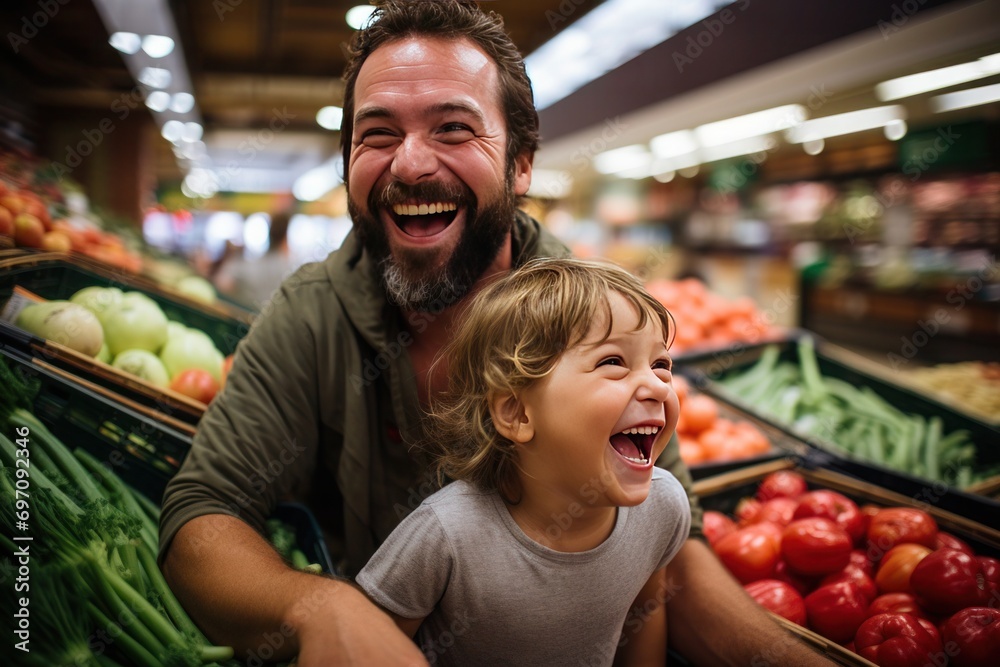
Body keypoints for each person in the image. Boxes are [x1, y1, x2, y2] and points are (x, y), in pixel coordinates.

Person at [159, 2, 835, 665]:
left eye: (453, 128)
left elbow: (662, 553)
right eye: (378, 134)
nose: (409, 165)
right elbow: (203, 511)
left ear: (520, 164)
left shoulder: (599, 317)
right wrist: (317, 608)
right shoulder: (314, 311)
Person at [357, 257, 690, 666]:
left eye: (660, 364)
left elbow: (645, 609)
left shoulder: (663, 508)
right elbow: (363, 643)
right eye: (613, 363)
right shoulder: (446, 536)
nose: (657, 385)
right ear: (517, 413)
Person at [213, 211, 297, 309]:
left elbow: (222, 284)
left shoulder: (251, 265)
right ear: (286, 237)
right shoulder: (292, 270)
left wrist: (231, 256)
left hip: (246, 318)